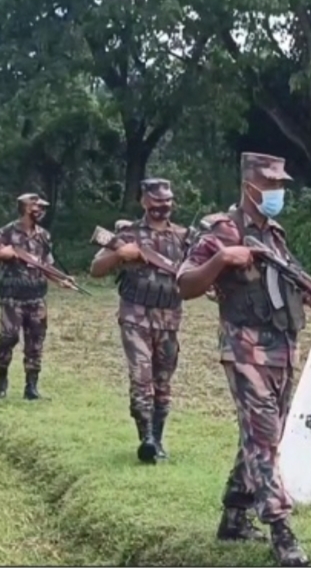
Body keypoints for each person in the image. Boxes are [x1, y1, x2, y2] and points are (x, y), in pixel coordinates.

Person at [176, 152, 311, 567]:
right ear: (250, 187)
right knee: (264, 436)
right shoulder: (219, 230)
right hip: (244, 349)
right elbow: (184, 283)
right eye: (272, 185)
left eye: (282, 185)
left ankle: (233, 513)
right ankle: (281, 530)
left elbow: (285, 279)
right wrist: (223, 258)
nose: (279, 192)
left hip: (281, 347)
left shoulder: (275, 234)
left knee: (265, 434)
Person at [90, 178, 188, 464]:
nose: (163, 207)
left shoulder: (184, 236)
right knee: (141, 378)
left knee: (163, 381)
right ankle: (145, 437)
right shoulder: (127, 234)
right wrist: (120, 254)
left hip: (170, 318)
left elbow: (195, 271)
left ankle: (158, 438)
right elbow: (96, 268)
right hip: (136, 316)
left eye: (167, 201)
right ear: (144, 201)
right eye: (157, 202)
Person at [0, 193, 75, 400]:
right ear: (27, 208)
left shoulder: (43, 236)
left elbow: (45, 265)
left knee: (36, 342)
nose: (41, 211)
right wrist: (1, 255)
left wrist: (61, 280)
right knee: (8, 338)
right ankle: (2, 380)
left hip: (37, 296)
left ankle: (31, 388)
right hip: (12, 296)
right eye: (37, 208)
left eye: (42, 208)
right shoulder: (6, 233)